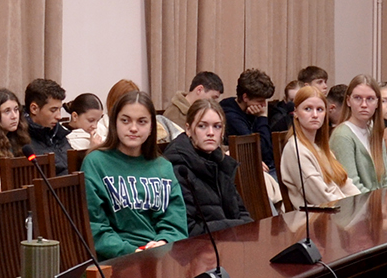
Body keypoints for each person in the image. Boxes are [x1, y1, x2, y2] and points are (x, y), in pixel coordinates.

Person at [83, 90, 189, 259]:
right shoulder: (95, 163)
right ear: (114, 123)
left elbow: (175, 223)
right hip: (116, 260)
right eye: (125, 120)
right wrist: (133, 252)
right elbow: (94, 226)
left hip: (160, 256)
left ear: (151, 127)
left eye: (142, 122)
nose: (133, 128)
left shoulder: (163, 167)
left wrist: (163, 242)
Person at [163, 101, 252, 235]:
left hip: (229, 239)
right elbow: (189, 229)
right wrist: (240, 226)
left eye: (217, 126)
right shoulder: (179, 167)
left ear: (222, 132)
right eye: (202, 126)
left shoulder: (221, 162)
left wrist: (246, 227)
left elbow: (241, 212)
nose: (210, 133)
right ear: (188, 129)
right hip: (200, 245)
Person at [280, 84, 359, 208]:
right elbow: (322, 198)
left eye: (320, 109)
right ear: (295, 113)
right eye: (308, 109)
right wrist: (353, 209)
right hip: (317, 216)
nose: (315, 115)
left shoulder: (320, 147)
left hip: (339, 210)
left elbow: (344, 183)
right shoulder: (296, 149)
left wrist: (363, 203)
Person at [329, 76, 387, 191]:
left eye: (370, 99)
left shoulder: (374, 131)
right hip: (358, 201)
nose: (364, 104)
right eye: (358, 98)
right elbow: (352, 185)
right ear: (348, 101)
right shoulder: (342, 135)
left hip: (378, 200)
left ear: (377, 103)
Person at [222, 68, 280, 177]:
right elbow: (262, 151)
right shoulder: (231, 117)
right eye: (260, 101)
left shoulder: (250, 110)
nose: (264, 105)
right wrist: (262, 117)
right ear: (245, 97)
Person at [22, 78, 71, 173]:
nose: (59, 116)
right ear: (34, 109)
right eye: (53, 110)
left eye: (59, 109)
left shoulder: (58, 133)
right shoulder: (21, 139)